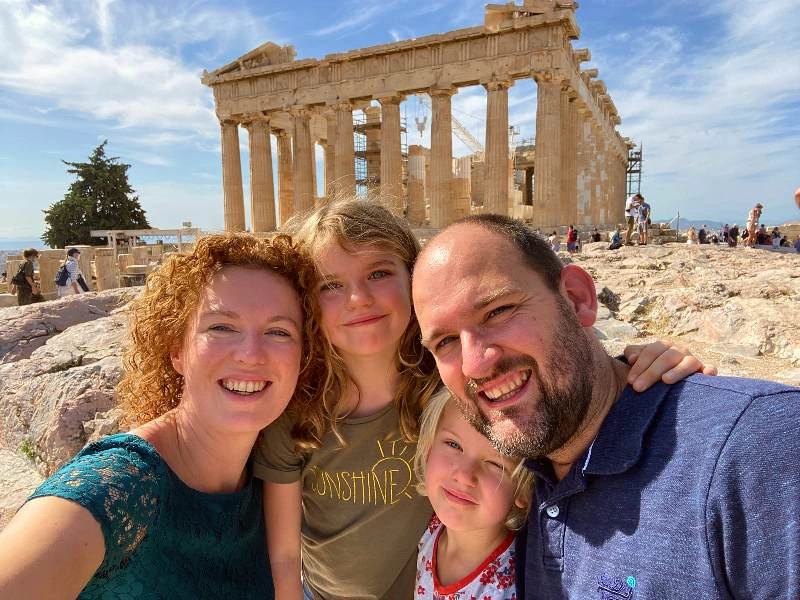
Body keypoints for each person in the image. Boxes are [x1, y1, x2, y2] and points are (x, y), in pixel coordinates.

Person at [255, 200, 708, 600]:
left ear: (414, 281)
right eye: (330, 284)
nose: (359, 298)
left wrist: (636, 360)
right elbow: (282, 552)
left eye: (379, 273)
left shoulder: (454, 385)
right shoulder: (296, 410)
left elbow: (553, 380)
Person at [411, 214, 799, 599]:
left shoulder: (759, 446)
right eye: (444, 342)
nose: (474, 363)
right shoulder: (522, 480)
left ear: (578, 299)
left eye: (497, 311)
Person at [0, 233, 320, 598]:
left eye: (278, 332)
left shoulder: (268, 481)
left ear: (303, 359)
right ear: (177, 352)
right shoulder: (120, 486)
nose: (251, 353)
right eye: (221, 327)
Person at [412, 388, 532, 599]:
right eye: (453, 444)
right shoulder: (431, 527)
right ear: (429, 448)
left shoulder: (508, 589)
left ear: (523, 489)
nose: (464, 475)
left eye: (495, 464)